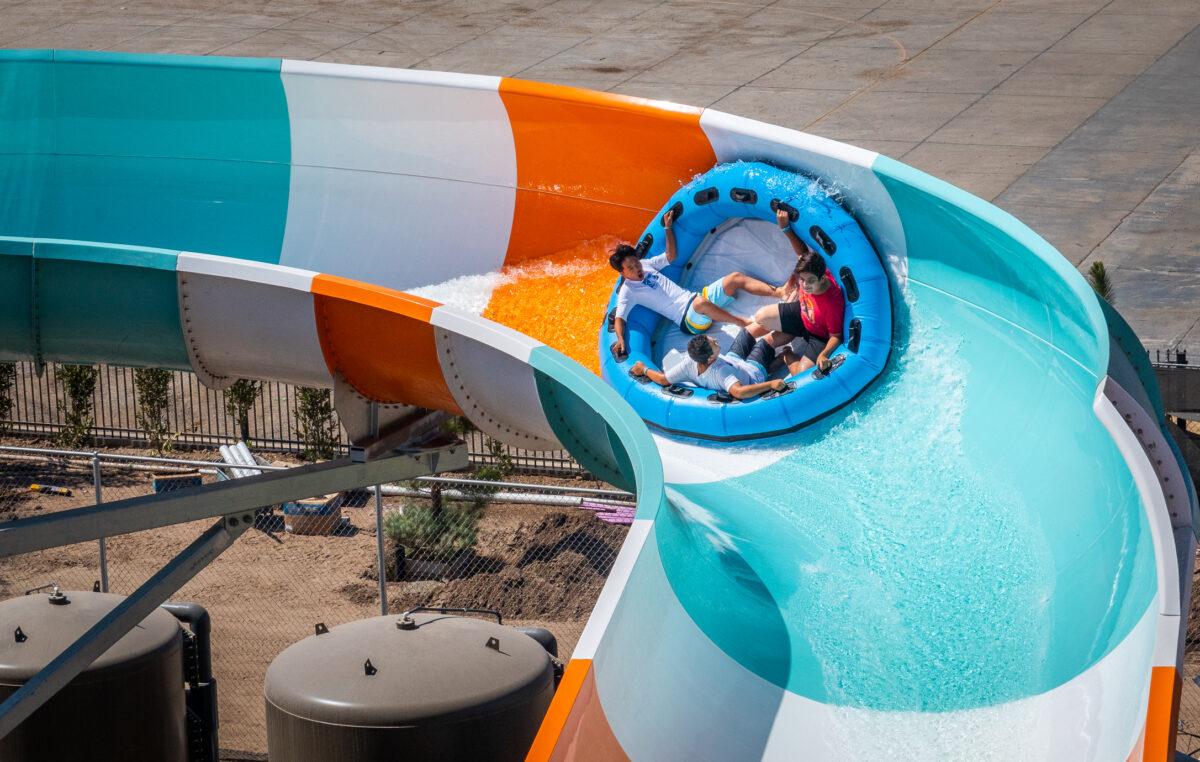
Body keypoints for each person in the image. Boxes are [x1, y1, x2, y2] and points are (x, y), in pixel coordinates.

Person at [610, 209, 779, 358]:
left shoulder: (646, 265)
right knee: (700, 303)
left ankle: (778, 292)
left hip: (697, 300)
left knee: (734, 278)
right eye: (630, 268)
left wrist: (668, 228)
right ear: (622, 272)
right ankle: (741, 322)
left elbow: (671, 256)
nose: (636, 268)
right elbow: (620, 318)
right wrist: (620, 340)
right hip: (688, 321)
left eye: (636, 263)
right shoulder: (628, 291)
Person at [747, 208, 845, 375]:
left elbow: (835, 335)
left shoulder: (832, 302)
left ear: (823, 278)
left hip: (818, 336)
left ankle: (787, 354)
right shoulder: (808, 274)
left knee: (800, 374)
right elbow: (802, 253)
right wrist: (786, 228)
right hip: (802, 314)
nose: (805, 285)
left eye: (810, 281)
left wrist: (824, 354)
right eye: (803, 279)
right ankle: (787, 336)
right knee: (761, 316)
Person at [631, 330, 788, 401]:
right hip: (752, 373)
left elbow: (664, 379)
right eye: (714, 343)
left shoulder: (690, 362)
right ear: (711, 358)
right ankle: (799, 330)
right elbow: (739, 392)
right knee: (767, 340)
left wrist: (644, 369)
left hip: (732, 360)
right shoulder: (721, 372)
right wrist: (771, 384)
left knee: (747, 332)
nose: (715, 339)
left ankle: (778, 359)